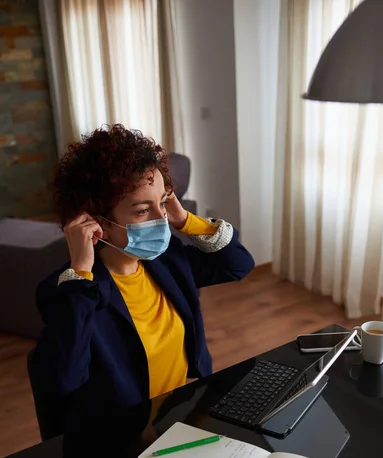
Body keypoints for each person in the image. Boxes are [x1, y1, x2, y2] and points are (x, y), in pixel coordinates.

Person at [32, 124, 254, 431]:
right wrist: (81, 268)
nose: (161, 219)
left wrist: (184, 219)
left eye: (162, 203)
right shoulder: (70, 291)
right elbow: (64, 378)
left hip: (178, 417)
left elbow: (238, 265)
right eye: (142, 210)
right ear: (98, 223)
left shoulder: (168, 261)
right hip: (120, 440)